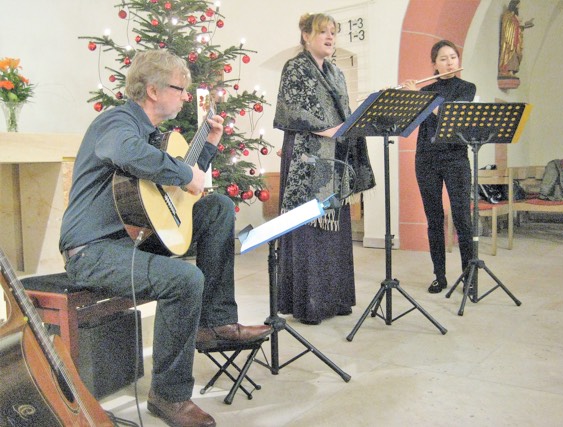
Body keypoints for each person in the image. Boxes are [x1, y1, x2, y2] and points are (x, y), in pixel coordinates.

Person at [59, 49, 271, 427]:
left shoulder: (152, 135)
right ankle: (168, 395)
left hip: (130, 239)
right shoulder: (118, 122)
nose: (186, 97)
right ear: (154, 90)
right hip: (91, 250)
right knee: (185, 279)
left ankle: (215, 322)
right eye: (180, 89)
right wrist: (182, 172)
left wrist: (207, 146)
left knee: (217, 207)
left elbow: (182, 191)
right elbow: (122, 152)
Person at [273, 13, 376, 325]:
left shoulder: (337, 72)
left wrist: (354, 122)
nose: (330, 37)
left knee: (334, 227)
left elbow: (345, 112)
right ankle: (309, 305)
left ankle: (336, 299)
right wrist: (330, 128)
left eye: (333, 33)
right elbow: (289, 110)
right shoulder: (295, 67)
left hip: (334, 158)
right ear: (306, 35)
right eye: (323, 32)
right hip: (308, 158)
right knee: (310, 229)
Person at [401, 40, 476, 294]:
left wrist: (420, 99)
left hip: (456, 157)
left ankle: (469, 276)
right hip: (426, 159)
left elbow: (449, 116)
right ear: (434, 64)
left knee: (462, 218)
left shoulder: (467, 88)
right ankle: (439, 276)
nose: (449, 62)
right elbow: (407, 123)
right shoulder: (425, 90)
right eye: (443, 58)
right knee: (434, 219)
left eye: (453, 57)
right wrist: (405, 98)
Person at [498, 0, 534, 77]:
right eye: (518, 5)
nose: (519, 7)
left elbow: (518, 27)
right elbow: (507, 27)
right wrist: (515, 24)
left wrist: (526, 25)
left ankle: (512, 71)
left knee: (515, 56)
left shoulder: (514, 16)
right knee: (510, 55)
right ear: (514, 5)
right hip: (510, 40)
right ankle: (507, 70)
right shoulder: (507, 15)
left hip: (516, 40)